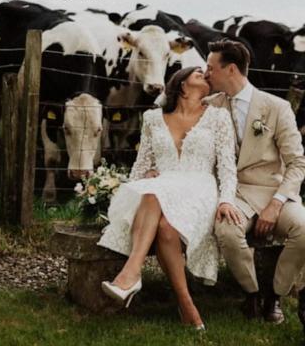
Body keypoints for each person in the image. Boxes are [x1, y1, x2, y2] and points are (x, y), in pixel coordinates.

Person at [97, 66, 240, 330]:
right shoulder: (152, 118)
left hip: (200, 188)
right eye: (198, 74)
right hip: (163, 188)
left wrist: (226, 200)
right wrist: (141, 180)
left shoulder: (219, 117)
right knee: (162, 219)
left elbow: (227, 169)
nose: (205, 76)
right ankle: (186, 305)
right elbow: (141, 167)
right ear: (182, 85)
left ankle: (130, 273)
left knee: (154, 193)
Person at [199, 39, 305, 324]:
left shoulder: (277, 107)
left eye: (210, 68)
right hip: (234, 195)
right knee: (228, 232)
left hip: (274, 191)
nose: (206, 73)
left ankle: (275, 296)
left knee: (304, 230)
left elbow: (297, 163)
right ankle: (252, 294)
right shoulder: (208, 106)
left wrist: (277, 203)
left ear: (230, 69)